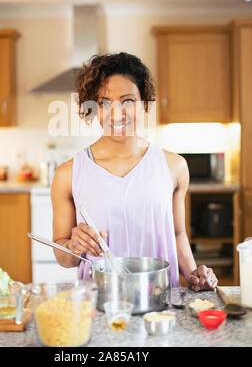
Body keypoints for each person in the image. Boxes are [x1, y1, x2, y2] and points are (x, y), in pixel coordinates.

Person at [51, 52, 218, 291]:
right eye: (104, 103)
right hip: (101, 303)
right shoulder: (67, 174)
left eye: (127, 100)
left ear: (144, 102)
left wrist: (193, 274)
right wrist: (73, 246)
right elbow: (63, 257)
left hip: (161, 301)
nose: (116, 113)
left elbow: (178, 234)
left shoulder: (174, 167)